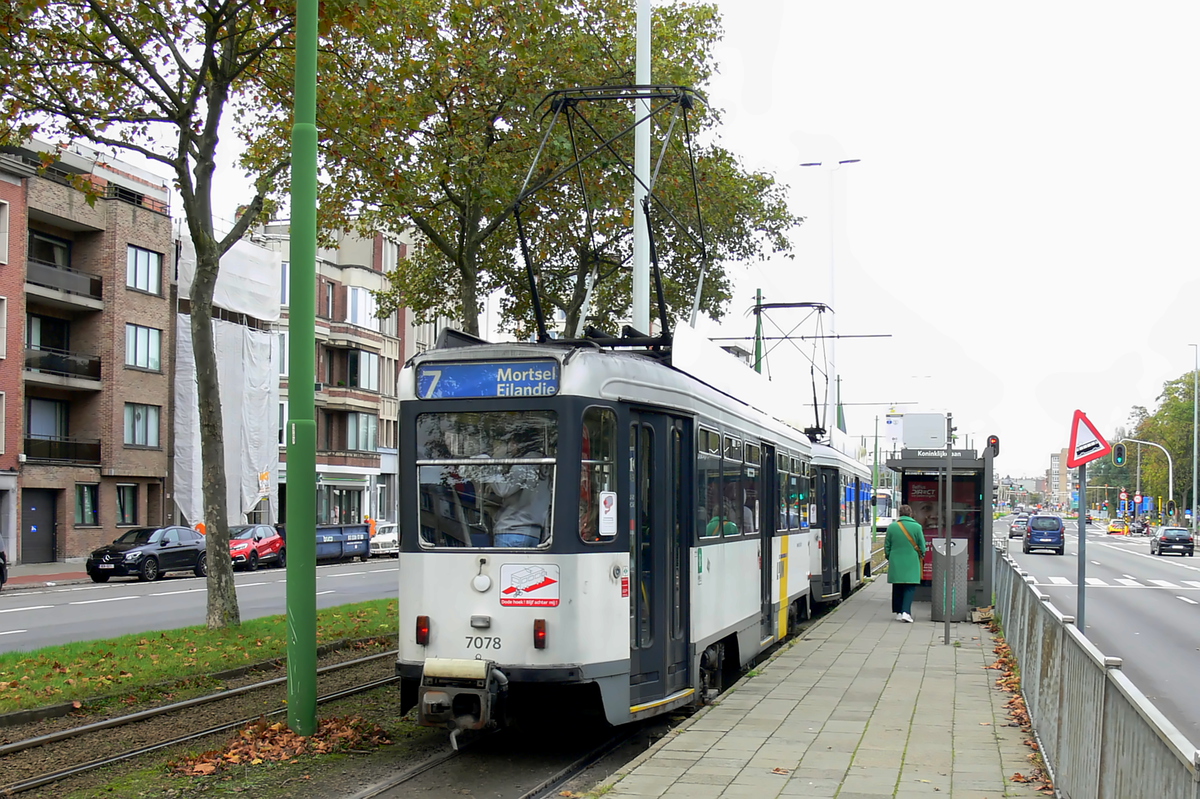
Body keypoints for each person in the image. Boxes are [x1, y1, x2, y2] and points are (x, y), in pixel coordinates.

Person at [885, 504, 926, 623]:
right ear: (911, 514)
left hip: (895, 560)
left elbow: (887, 546)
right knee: (909, 586)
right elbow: (922, 545)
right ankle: (906, 612)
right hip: (911, 560)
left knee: (897, 586)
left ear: (899, 514)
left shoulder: (892, 527)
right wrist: (921, 554)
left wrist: (890, 557)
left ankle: (898, 612)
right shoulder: (916, 527)